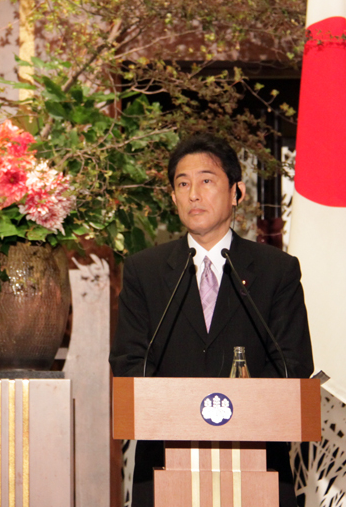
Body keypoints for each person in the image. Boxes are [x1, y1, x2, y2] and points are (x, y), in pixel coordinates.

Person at [109, 133, 313, 507]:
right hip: (163, 466)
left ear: (237, 192)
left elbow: (293, 366)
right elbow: (128, 363)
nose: (193, 194)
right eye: (182, 184)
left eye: (207, 181)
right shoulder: (145, 271)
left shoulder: (276, 270)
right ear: (172, 197)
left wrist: (237, 407)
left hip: (258, 463)